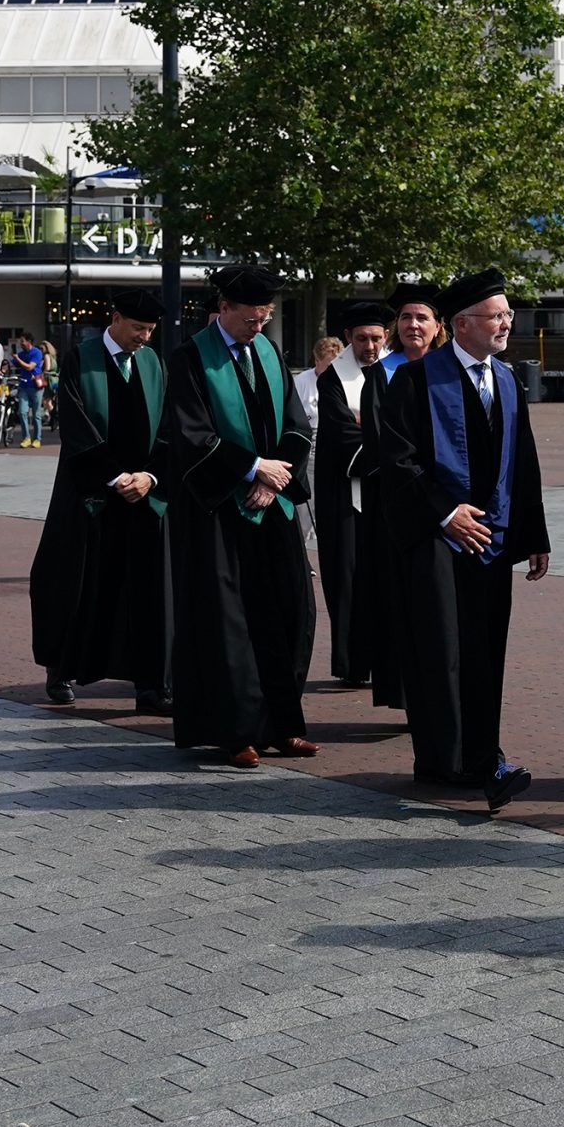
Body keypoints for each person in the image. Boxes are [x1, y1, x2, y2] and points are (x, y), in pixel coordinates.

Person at [379, 269, 551, 811]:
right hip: (436, 539)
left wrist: (534, 534)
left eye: (507, 315)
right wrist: (445, 513)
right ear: (461, 324)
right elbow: (397, 461)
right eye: (496, 316)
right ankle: (444, 759)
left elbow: (523, 462)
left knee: (485, 648)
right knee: (441, 649)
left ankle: (480, 754)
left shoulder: (507, 380)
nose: (506, 324)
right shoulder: (415, 380)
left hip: (491, 540)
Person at [158, 265, 316, 768]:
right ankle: (237, 731)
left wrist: (274, 478)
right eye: (250, 318)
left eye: (264, 318)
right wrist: (251, 469)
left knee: (288, 611)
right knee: (228, 622)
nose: (258, 327)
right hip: (219, 511)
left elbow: (297, 425)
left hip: (273, 504)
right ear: (223, 308)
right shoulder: (189, 358)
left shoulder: (269, 352)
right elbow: (191, 436)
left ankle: (283, 725)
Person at [34, 289, 170, 712]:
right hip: (89, 494)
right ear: (115, 319)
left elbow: (169, 425)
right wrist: (114, 476)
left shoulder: (153, 362)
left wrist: (149, 476)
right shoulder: (81, 358)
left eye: (150, 330)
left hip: (143, 497)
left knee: (146, 590)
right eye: (138, 328)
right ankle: (61, 668)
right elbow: (75, 424)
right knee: (76, 583)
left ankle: (150, 685)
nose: (144, 337)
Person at [353, 282, 445, 713]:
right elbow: (380, 445)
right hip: (395, 505)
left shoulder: (450, 371)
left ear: (438, 326)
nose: (412, 325)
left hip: (446, 508)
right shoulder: (382, 374)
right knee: (399, 601)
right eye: (405, 317)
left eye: (421, 317)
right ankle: (407, 695)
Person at [309, 304, 390, 689]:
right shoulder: (332, 379)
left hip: (390, 493)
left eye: (376, 338)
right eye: (361, 339)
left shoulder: (399, 370)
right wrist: (385, 438)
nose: (369, 346)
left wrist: (371, 428)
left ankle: (388, 661)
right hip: (346, 495)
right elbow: (342, 435)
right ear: (347, 338)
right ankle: (353, 663)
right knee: (347, 578)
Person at [12, 330, 48, 447]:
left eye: (22, 341)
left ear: (29, 341)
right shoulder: (21, 354)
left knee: (36, 414)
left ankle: (37, 439)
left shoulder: (37, 353)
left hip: (35, 386)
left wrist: (17, 359)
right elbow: (12, 364)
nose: (21, 343)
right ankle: (26, 438)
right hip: (23, 386)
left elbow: (29, 367)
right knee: (22, 412)